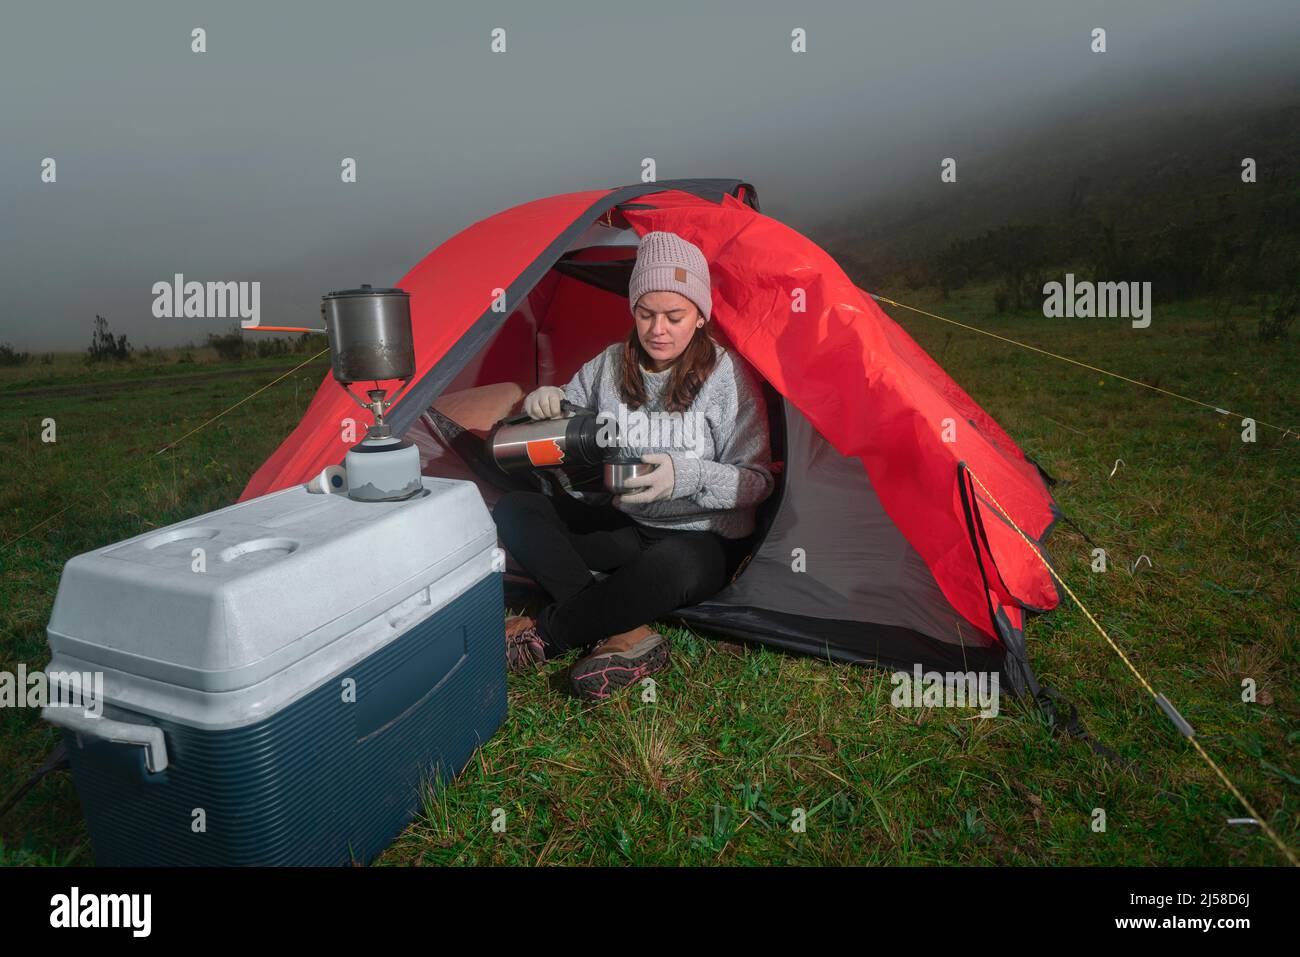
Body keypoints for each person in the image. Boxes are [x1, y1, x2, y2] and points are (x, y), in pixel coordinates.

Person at [492, 230, 776, 701]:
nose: (657, 329)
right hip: (627, 524)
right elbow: (570, 419)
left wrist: (684, 475)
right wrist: (547, 403)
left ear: (701, 316)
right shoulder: (608, 364)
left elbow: (758, 483)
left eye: (674, 316)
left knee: (670, 566)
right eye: (645, 314)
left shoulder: (729, 377)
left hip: (700, 540)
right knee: (518, 509)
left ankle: (548, 635)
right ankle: (628, 632)